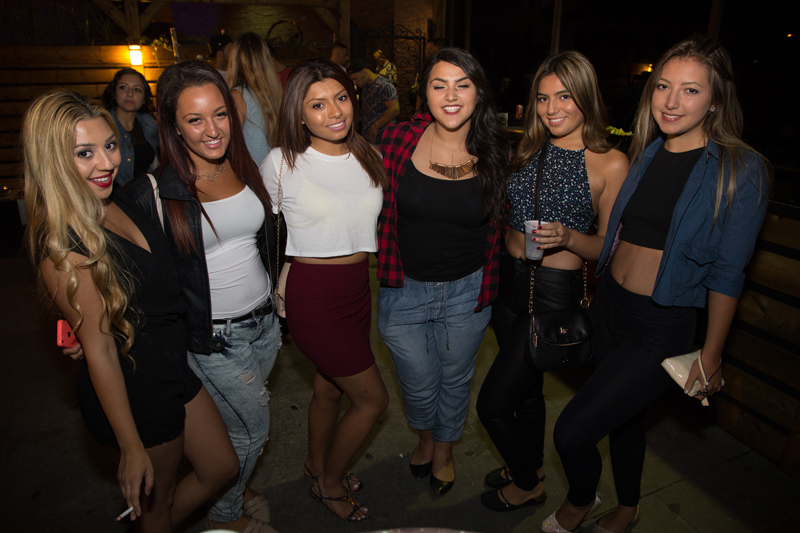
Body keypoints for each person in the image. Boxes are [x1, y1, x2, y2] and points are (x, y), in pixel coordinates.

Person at [544, 35, 769, 533]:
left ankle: (580, 500)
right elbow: (620, 236)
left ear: (715, 99)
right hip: (610, 308)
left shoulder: (740, 169)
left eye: (690, 90)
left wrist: (712, 355)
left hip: (659, 326)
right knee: (624, 419)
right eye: (663, 86)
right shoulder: (647, 154)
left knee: (571, 432)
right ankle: (628, 508)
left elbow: (729, 273)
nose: (671, 101)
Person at [24, 90, 237, 531]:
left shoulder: (114, 197)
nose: (106, 162)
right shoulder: (64, 248)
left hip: (169, 363)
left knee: (221, 467)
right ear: (53, 161)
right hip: (136, 385)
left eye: (109, 145)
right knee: (157, 508)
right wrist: (130, 445)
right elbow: (100, 351)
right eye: (84, 153)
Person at [127, 60, 282, 533]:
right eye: (195, 120)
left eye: (220, 115)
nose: (213, 130)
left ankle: (234, 488)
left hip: (265, 325)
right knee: (252, 431)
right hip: (216, 338)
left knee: (235, 427)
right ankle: (223, 515)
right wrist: (80, 320)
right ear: (173, 126)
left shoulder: (241, 166)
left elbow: (262, 238)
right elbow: (107, 256)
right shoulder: (155, 192)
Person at [475, 51, 628, 513]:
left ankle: (527, 485)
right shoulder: (526, 148)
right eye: (542, 98)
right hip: (508, 283)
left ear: (586, 97)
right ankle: (534, 466)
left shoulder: (611, 163)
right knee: (526, 393)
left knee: (492, 406)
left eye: (564, 96)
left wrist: (569, 238)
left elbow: (610, 249)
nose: (551, 108)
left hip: (552, 293)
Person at [260, 58, 389, 523]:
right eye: (317, 104)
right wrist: (274, 280)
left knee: (329, 388)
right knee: (372, 400)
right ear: (298, 113)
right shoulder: (281, 163)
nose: (334, 112)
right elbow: (257, 229)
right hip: (313, 295)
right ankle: (330, 484)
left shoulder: (368, 155)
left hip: (358, 288)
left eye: (340, 98)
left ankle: (316, 464)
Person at [377, 47, 508, 497]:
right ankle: (426, 437)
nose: (451, 96)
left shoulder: (496, 150)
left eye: (462, 85)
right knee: (417, 382)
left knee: (455, 378)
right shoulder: (395, 140)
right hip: (403, 289)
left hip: (467, 291)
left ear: (478, 92)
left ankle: (444, 450)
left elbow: (507, 221)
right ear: (425, 94)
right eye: (439, 85)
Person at [228, 32, 283, 166]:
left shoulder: (238, 95)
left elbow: (230, 144)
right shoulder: (277, 92)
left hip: (252, 173)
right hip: (275, 171)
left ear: (235, 60)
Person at [101, 68, 159, 186]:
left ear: (144, 98)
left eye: (137, 90)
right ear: (114, 93)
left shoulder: (151, 125)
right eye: (123, 87)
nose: (130, 94)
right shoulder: (102, 126)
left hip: (145, 193)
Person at [349, 57, 399, 144]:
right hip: (368, 139)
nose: (355, 83)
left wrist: (376, 127)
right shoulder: (366, 87)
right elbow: (367, 108)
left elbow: (394, 109)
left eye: (355, 78)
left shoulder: (384, 85)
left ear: (364, 72)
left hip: (382, 139)